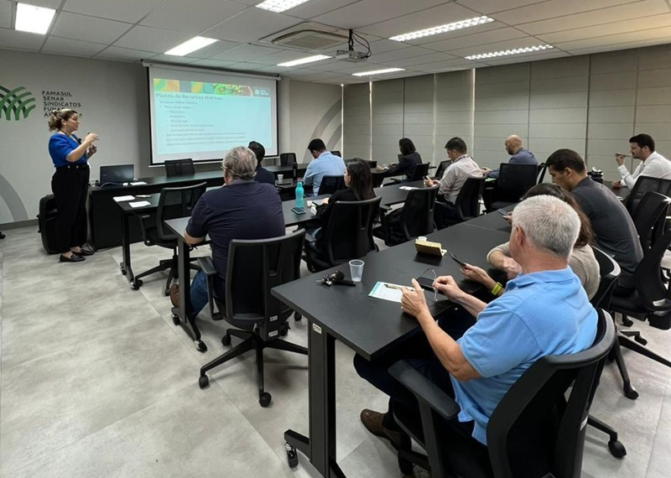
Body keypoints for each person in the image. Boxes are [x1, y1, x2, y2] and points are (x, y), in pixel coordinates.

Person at [354, 195, 597, 457]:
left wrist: (422, 312)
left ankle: (402, 423)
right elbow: (509, 322)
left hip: (477, 411)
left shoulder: (521, 309)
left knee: (371, 360)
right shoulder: (570, 287)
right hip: (522, 408)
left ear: (519, 236)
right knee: (433, 331)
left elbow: (457, 365)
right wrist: (460, 297)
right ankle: (394, 423)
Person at [170, 147, 285, 320]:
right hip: (271, 281)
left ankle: (186, 309)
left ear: (226, 172)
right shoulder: (271, 191)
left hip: (232, 289)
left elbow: (191, 239)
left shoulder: (211, 199)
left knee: (206, 271)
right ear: (254, 169)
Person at [461, 183, 600, 300]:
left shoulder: (567, 264)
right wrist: (509, 264)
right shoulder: (552, 241)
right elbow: (495, 252)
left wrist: (489, 283)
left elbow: (521, 308)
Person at [546, 149, 642, 294]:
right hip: (630, 270)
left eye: (554, 175)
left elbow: (556, 233)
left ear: (567, 172)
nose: (553, 181)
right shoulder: (597, 188)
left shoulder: (581, 196)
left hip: (619, 276)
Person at [47, 109, 98, 263]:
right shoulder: (56, 138)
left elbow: (79, 158)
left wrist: (89, 153)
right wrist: (87, 141)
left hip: (79, 176)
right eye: (74, 119)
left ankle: (75, 245)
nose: (78, 122)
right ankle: (64, 251)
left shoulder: (73, 137)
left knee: (78, 213)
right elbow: (71, 157)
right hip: (67, 179)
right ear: (64, 122)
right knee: (67, 214)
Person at [310, 158, 375, 250]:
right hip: (361, 244)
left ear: (350, 177)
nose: (343, 176)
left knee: (306, 229)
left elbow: (322, 217)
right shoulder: (371, 196)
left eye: (345, 173)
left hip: (335, 245)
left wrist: (324, 204)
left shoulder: (340, 196)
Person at [424, 137, 482, 227]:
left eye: (449, 153)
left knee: (427, 204)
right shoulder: (474, 164)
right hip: (469, 208)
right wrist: (439, 183)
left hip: (452, 208)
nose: (448, 156)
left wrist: (431, 184)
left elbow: (440, 191)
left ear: (454, 152)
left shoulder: (454, 167)